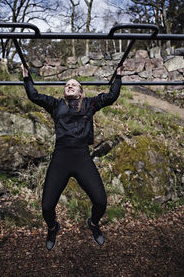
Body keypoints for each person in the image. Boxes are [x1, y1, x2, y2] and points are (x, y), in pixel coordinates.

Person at [22, 65, 123, 250]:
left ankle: (93, 224)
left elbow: (111, 97)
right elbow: (34, 96)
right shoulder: (55, 105)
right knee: (46, 207)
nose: (69, 86)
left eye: (73, 85)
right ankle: (53, 228)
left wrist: (118, 76)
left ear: (80, 91)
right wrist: (27, 78)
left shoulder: (90, 104)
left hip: (82, 157)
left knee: (101, 201)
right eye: (67, 84)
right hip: (61, 157)